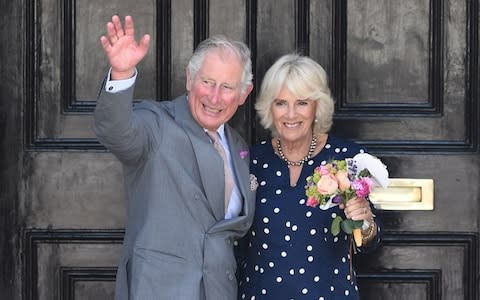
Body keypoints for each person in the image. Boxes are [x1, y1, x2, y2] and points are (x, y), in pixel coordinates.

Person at [95, 15, 256, 300]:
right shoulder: (156, 123)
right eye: (207, 81)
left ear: (243, 94)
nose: (215, 97)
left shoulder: (239, 147)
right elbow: (117, 133)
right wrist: (120, 75)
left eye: (227, 87)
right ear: (189, 79)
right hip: (159, 290)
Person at [236, 54, 382, 299]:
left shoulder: (347, 158)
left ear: (317, 106)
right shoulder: (251, 161)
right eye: (281, 103)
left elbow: (369, 242)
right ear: (269, 107)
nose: (291, 114)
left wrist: (364, 220)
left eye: (302, 103)